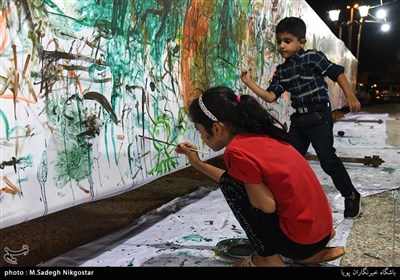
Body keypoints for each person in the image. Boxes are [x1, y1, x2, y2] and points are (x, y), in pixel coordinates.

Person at [175, 86, 345, 267]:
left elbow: (265, 205)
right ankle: (306, 255)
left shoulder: (236, 151)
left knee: (231, 187)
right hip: (321, 232)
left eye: (200, 132)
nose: (202, 138)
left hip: (301, 241)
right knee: (234, 183)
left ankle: (268, 258)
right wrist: (198, 164)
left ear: (216, 128)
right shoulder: (262, 135)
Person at [240, 17, 361, 219]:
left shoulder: (312, 57)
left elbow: (336, 73)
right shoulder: (282, 71)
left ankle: (350, 195)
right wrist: (249, 83)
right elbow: (270, 97)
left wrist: (350, 95)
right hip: (299, 122)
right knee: (289, 161)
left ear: (301, 42)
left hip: (319, 116)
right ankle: (287, 201)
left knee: (327, 159)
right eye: (279, 41)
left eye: (287, 41)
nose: (281, 45)